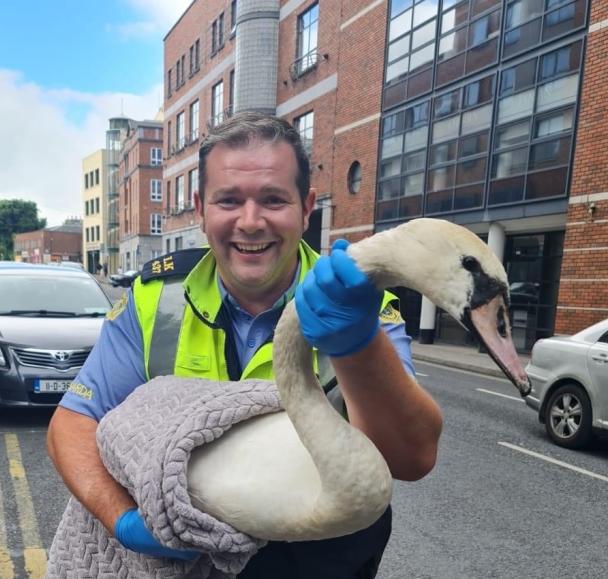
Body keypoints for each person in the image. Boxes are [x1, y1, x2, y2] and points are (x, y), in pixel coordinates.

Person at [47, 112, 443, 577]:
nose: (250, 222)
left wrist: (359, 345)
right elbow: (72, 424)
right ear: (200, 209)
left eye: (273, 200)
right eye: (229, 200)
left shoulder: (364, 310)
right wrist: (123, 520)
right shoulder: (156, 298)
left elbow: (412, 459)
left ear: (306, 206)